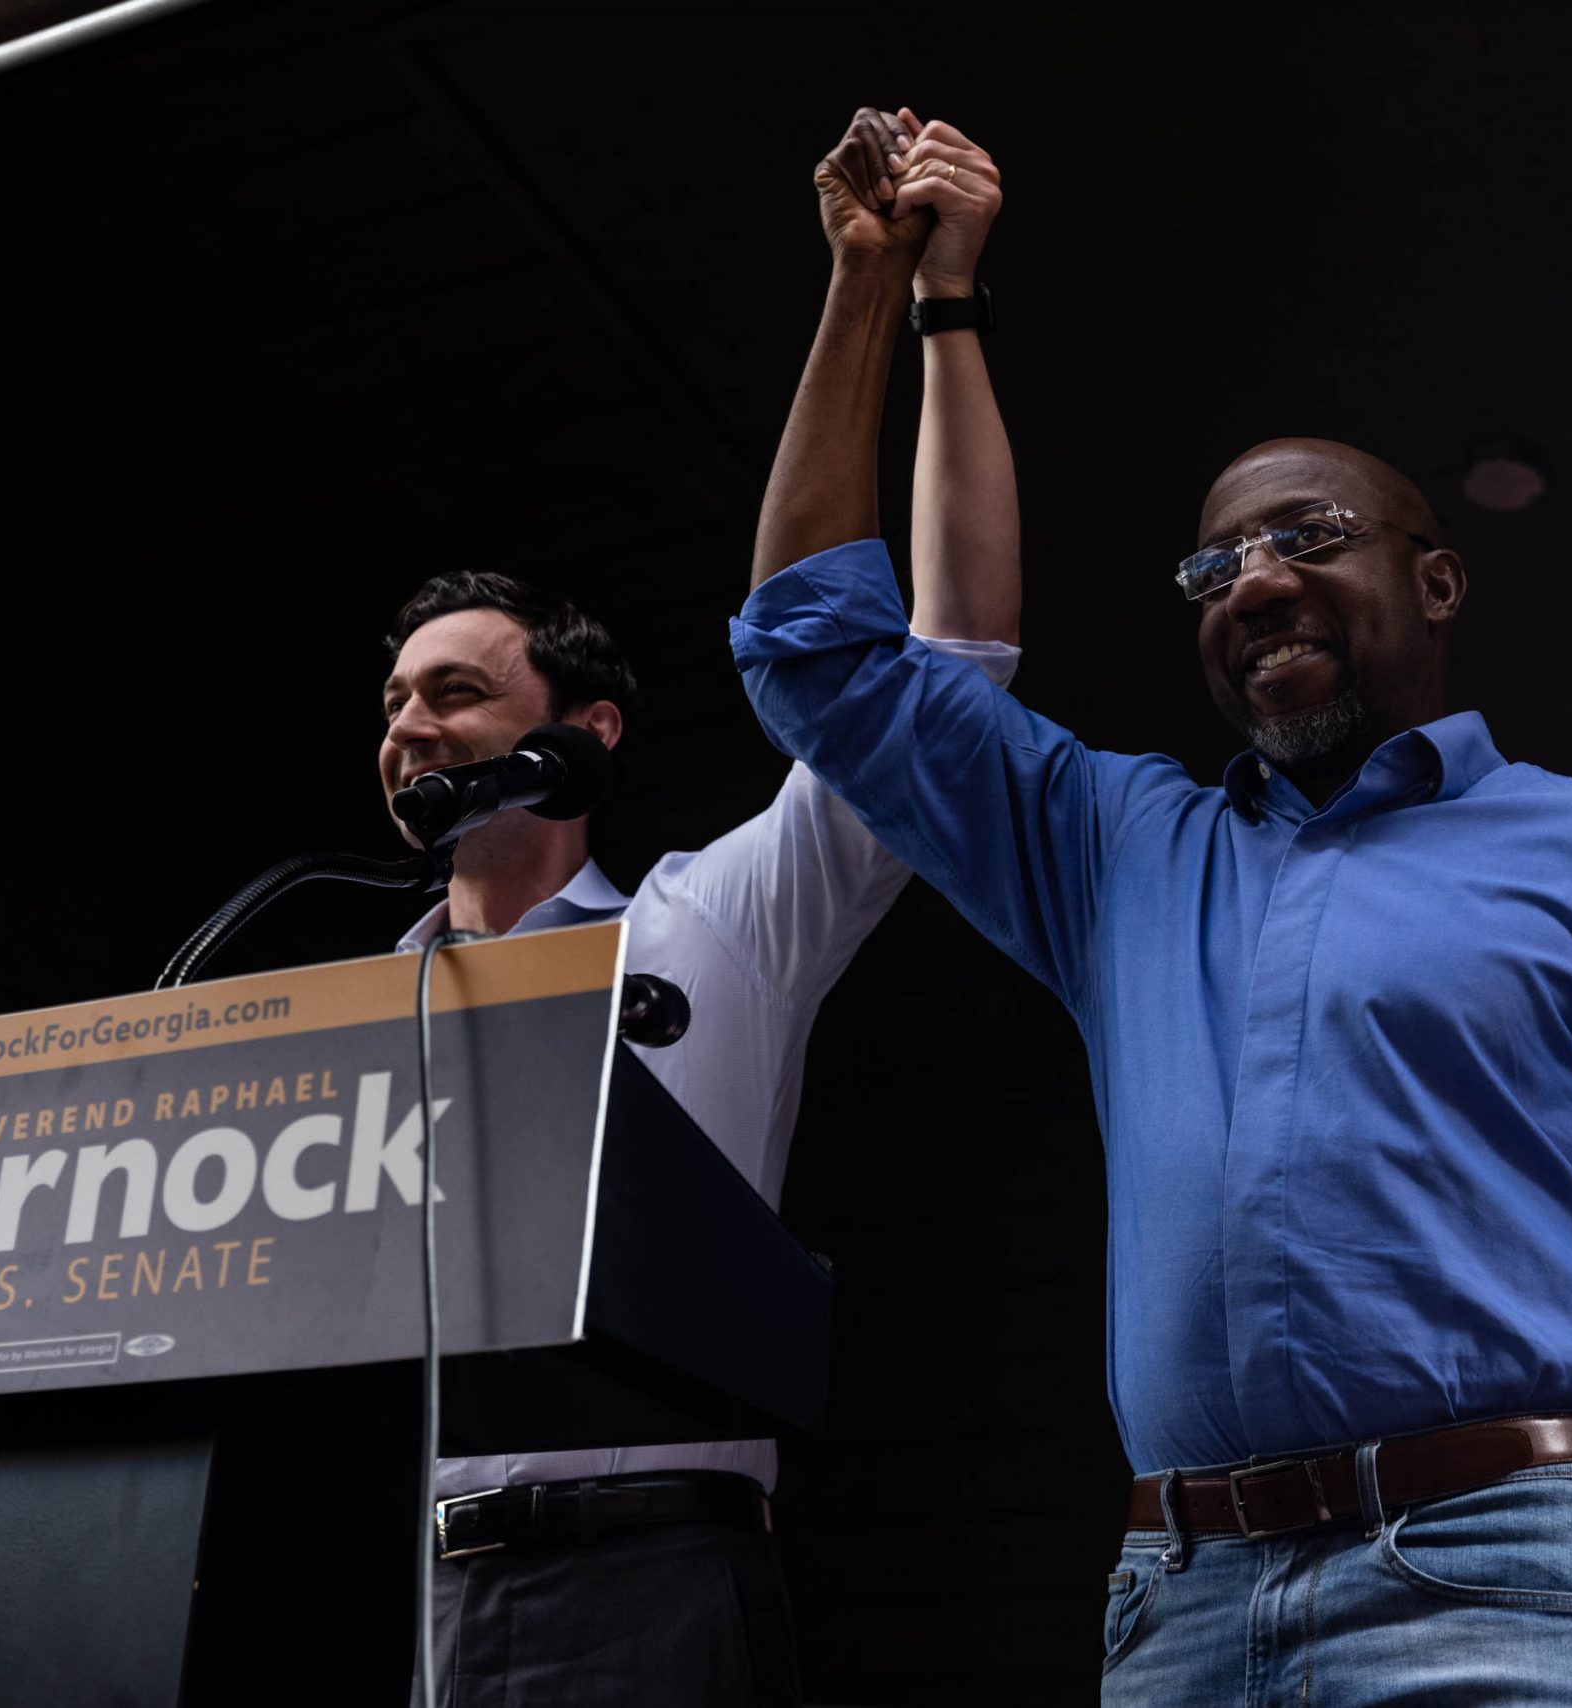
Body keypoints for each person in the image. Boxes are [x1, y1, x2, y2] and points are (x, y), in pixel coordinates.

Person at [731, 112, 1572, 1708]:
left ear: (1437, 583)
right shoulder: (1119, 851)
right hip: (1179, 1603)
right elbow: (819, 656)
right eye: (1212, 569)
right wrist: (881, 283)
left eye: (1307, 538)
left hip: (1507, 1576)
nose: (1256, 581)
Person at [391, 107, 1017, 1707]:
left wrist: (909, 300)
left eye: (455, 694)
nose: (407, 728)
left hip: (657, 1580)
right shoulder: (344, 1005)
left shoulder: (714, 923)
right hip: (407, 1582)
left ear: (579, 731)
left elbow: (947, 673)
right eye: (394, 703)